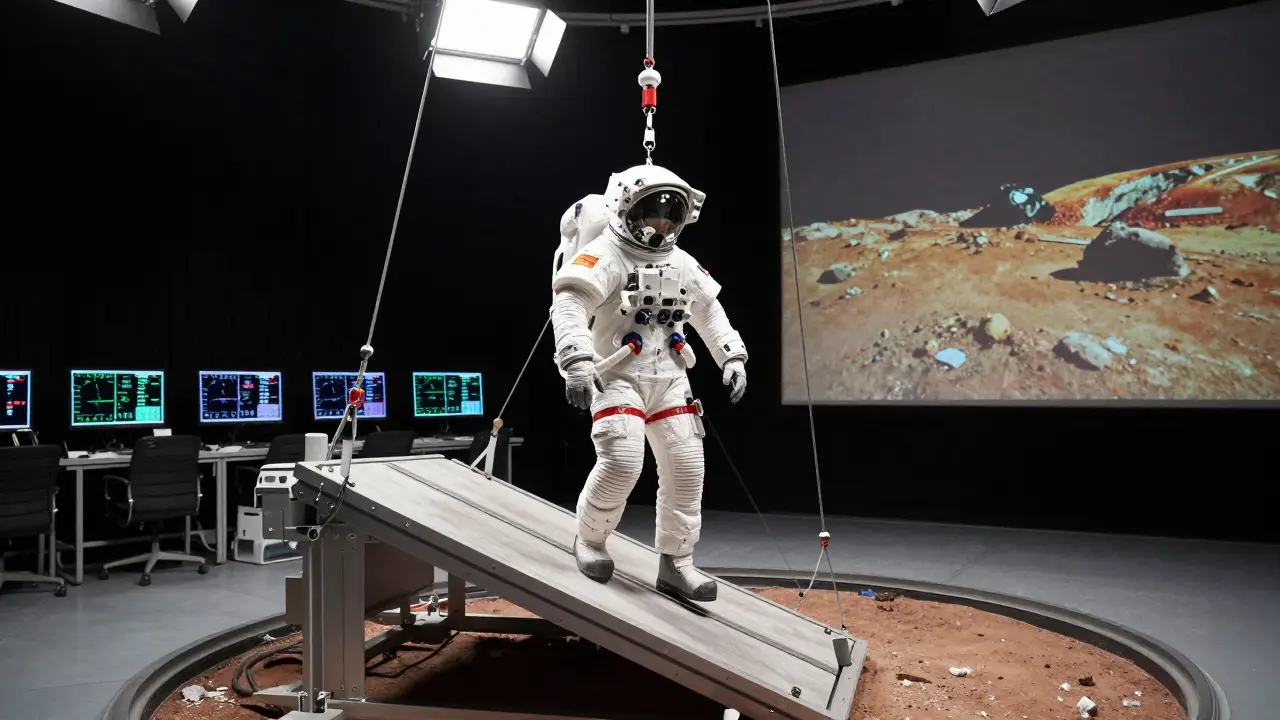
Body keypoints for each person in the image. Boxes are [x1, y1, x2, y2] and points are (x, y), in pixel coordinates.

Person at [550, 163, 747, 603]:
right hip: (617, 374)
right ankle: (591, 539)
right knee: (622, 461)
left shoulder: (681, 261)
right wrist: (577, 362)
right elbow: (569, 304)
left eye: (669, 218)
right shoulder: (604, 254)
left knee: (687, 467)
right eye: (651, 216)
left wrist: (732, 355)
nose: (660, 228)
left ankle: (676, 563)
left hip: (670, 378)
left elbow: (708, 311)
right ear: (626, 209)